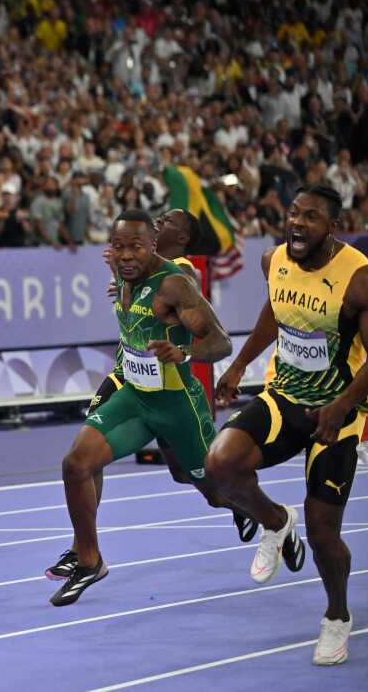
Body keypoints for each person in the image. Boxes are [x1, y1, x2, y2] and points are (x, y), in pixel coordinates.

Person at [208, 184, 368, 665]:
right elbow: (275, 311)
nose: (298, 223)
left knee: (325, 533)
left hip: (338, 415)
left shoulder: (362, 280)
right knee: (219, 466)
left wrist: (345, 403)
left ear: (332, 227)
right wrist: (240, 363)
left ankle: (337, 617)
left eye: (311, 217)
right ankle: (275, 521)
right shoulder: (273, 261)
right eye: (292, 213)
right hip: (283, 397)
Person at [46, 209, 259, 578]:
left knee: (198, 481)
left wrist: (186, 349)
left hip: (172, 393)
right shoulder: (125, 265)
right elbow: (127, 270)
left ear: (170, 240)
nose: (160, 224)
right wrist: (122, 265)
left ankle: (253, 508)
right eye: (119, 246)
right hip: (129, 380)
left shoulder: (176, 274)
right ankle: (85, 551)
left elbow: (206, 322)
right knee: (81, 460)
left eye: (166, 224)